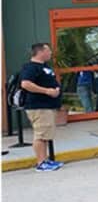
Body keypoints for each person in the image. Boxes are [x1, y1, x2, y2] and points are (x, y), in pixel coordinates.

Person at [18, 43, 65, 172]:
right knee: (40, 135)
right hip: (38, 106)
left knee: (45, 135)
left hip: (48, 106)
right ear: (40, 52)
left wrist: (56, 90)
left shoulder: (44, 67)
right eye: (48, 50)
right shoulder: (31, 67)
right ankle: (41, 163)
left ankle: (45, 160)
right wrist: (47, 91)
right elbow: (26, 84)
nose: (50, 53)